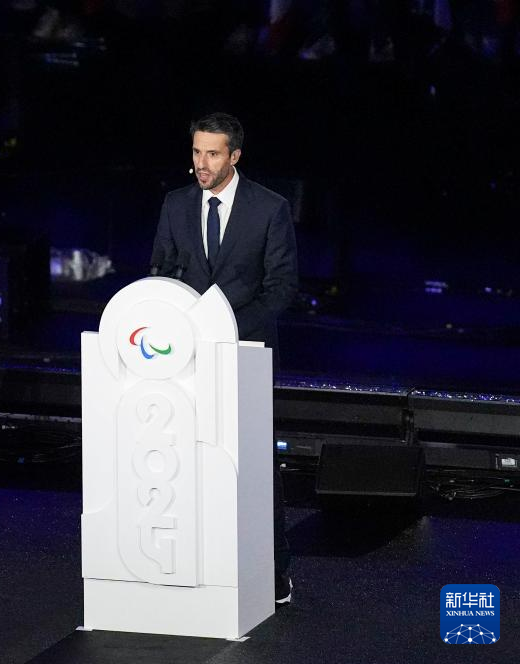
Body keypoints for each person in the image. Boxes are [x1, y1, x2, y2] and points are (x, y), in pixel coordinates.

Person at [150, 111, 298, 603]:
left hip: (245, 353)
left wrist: (226, 327)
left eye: (212, 154)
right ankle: (192, 564)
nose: (202, 163)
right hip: (185, 356)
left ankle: (273, 571)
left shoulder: (269, 208)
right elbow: (161, 272)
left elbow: (281, 287)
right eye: (196, 152)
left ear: (234, 155)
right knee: (185, 458)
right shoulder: (176, 204)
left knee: (254, 464)